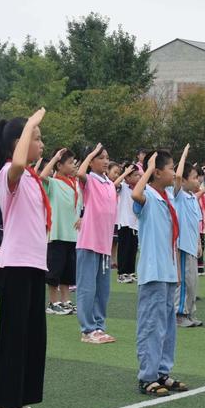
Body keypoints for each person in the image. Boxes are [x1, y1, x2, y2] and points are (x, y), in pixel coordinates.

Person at [0, 108, 49, 408]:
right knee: (13, 339)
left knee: (32, 339)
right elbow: (16, 161)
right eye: (36, 139)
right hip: (16, 268)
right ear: (19, 143)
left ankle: (19, 400)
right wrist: (30, 124)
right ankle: (5, 405)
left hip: (34, 266)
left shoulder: (31, 178)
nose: (41, 144)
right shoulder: (8, 173)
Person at [132, 150, 188, 396]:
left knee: (167, 326)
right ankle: (147, 376)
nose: (174, 172)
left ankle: (162, 372)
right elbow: (135, 193)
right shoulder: (147, 197)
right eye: (170, 167)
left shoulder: (167, 198)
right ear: (156, 171)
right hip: (153, 271)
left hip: (168, 271)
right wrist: (148, 167)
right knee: (151, 325)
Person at [75, 143, 117, 344]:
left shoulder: (109, 182)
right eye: (101, 157)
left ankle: (99, 326)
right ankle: (87, 329)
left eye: (107, 157)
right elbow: (80, 172)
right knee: (87, 288)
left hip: (104, 244)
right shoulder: (90, 179)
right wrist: (90, 153)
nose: (106, 161)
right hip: (89, 242)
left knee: (103, 290)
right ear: (91, 161)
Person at [40, 148, 83, 315]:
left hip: (72, 235)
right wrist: (55, 157)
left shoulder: (75, 184)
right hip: (57, 233)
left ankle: (66, 301)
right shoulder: (53, 183)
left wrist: (81, 217)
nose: (74, 166)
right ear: (59, 165)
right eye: (70, 163)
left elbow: (79, 207)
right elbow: (42, 176)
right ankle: (53, 302)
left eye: (74, 163)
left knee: (68, 271)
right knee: (54, 270)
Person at [173, 149, 203, 328]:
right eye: (193, 177)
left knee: (193, 282)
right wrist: (183, 157)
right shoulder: (179, 196)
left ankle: (190, 311)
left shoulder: (193, 198)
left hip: (192, 246)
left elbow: (196, 223)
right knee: (184, 281)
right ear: (183, 181)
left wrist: (199, 242)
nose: (197, 180)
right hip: (183, 246)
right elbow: (176, 177)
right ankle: (179, 313)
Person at [116, 163, 141, 284]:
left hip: (135, 224)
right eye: (135, 175)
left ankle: (130, 272)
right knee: (124, 250)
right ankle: (121, 273)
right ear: (127, 178)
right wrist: (125, 173)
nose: (138, 177)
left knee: (132, 249)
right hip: (125, 223)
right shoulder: (123, 187)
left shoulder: (138, 189)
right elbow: (114, 184)